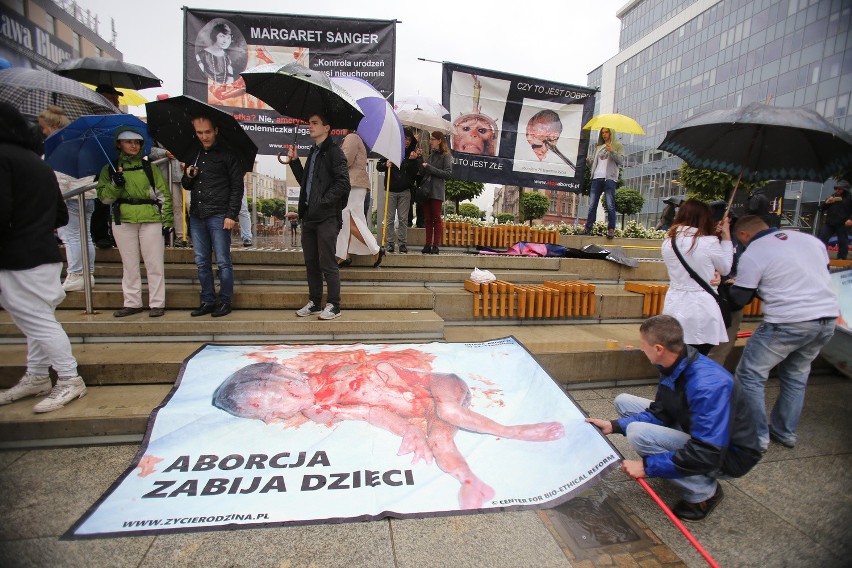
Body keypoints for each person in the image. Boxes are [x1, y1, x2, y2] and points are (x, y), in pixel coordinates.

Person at [212, 359, 564, 509]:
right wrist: (408, 430)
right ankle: (470, 481)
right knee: (440, 439)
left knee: (449, 410)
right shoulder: (319, 411)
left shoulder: (330, 372)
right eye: (267, 414)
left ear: (285, 375)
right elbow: (370, 412)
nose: (274, 416)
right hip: (425, 410)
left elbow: (379, 386)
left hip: (440, 386)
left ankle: (512, 431)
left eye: (271, 403)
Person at [586, 315, 762, 522]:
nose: (641, 349)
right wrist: (613, 426)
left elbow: (707, 452)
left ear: (659, 348)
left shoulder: (707, 385)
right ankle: (676, 466)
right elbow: (661, 412)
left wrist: (647, 466)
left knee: (638, 433)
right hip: (699, 431)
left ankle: (703, 493)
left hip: (729, 455)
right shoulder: (676, 362)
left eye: (644, 345)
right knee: (624, 401)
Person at [0, 102, 87, 413]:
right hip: (43, 253)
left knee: (37, 321)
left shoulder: (6, 159)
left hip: (20, 256)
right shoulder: (39, 164)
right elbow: (61, 214)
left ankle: (68, 378)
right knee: (39, 319)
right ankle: (38, 375)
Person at [727, 215, 838, 450]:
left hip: (787, 322)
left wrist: (735, 284)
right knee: (796, 376)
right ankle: (785, 432)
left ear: (744, 235)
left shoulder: (754, 252)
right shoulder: (811, 240)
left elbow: (739, 299)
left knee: (749, 376)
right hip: (826, 320)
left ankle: (756, 438)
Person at [97, 127, 173, 318]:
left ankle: (157, 303)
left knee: (154, 263)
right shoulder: (109, 169)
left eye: (137, 142)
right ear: (119, 144)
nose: (134, 145)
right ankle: (132, 302)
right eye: (129, 141)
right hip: (123, 219)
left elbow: (164, 194)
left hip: (150, 218)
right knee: (129, 264)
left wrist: (168, 220)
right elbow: (104, 199)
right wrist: (115, 184)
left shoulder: (150, 168)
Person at [285, 113, 350, 321]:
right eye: (309, 123)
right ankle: (314, 302)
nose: (310, 127)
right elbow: (306, 183)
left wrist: (322, 202)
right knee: (311, 262)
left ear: (327, 127)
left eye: (315, 123)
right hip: (310, 216)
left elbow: (343, 184)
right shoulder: (313, 152)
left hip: (327, 217)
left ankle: (334, 305)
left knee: (327, 262)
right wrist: (295, 162)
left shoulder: (334, 152)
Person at [181, 115, 244, 318]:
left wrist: (231, 215)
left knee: (223, 261)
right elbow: (186, 185)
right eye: (199, 132)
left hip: (219, 214)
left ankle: (225, 301)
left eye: (207, 132)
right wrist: (189, 176)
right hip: (197, 214)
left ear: (215, 130)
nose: (204, 136)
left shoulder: (228, 154)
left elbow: (237, 187)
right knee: (201, 261)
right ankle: (207, 300)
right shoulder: (194, 153)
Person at [660, 199, 733, 355]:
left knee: (676, 356)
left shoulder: (668, 242)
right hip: (701, 307)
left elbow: (695, 264)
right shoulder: (708, 242)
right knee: (696, 357)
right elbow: (725, 267)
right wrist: (726, 236)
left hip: (675, 304)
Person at [38, 105, 97, 292]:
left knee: (72, 237)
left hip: (71, 196)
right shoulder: (78, 141)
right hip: (86, 194)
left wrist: (58, 198)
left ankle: (77, 273)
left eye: (43, 127)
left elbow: (61, 176)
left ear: (50, 126)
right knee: (85, 236)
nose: (42, 132)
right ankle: (88, 274)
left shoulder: (58, 145)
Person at [335, 129, 384, 268]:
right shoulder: (355, 138)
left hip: (352, 183)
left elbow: (346, 160)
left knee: (349, 220)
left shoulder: (351, 137)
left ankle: (375, 249)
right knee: (350, 220)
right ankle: (344, 255)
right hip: (355, 184)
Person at [377, 128, 421, 253]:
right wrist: (386, 165)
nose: (407, 141)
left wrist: (413, 161)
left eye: (409, 139)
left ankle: (402, 243)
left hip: (405, 190)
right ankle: (390, 242)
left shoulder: (412, 153)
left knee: (403, 218)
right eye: (405, 138)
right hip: (391, 189)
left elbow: (415, 173)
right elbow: (379, 166)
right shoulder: (390, 150)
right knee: (390, 218)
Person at [583, 128, 624, 239]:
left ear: (611, 133)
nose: (604, 134)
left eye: (606, 132)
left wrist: (612, 151)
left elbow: (621, 161)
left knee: (610, 204)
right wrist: (588, 161)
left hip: (609, 179)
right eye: (602, 133)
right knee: (592, 205)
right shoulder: (599, 147)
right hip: (597, 178)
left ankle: (611, 229)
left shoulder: (618, 145)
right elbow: (594, 164)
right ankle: (588, 228)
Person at [419, 131, 453, 255]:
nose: (430, 141)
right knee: (427, 219)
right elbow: (424, 172)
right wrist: (420, 161)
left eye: (433, 139)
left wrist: (429, 167)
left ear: (439, 140)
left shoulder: (446, 155)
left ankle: (435, 246)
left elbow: (447, 173)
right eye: (430, 139)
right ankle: (427, 245)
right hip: (427, 190)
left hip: (437, 191)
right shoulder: (430, 155)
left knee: (436, 219)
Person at [818, 179, 852, 260]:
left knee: (843, 241)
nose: (837, 190)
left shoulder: (850, 198)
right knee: (822, 238)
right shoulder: (832, 196)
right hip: (830, 222)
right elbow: (820, 209)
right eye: (836, 189)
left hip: (842, 223)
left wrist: (850, 219)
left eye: (839, 189)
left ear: (844, 189)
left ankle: (841, 257)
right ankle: (821, 256)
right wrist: (826, 203)